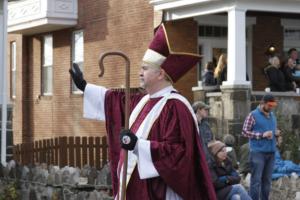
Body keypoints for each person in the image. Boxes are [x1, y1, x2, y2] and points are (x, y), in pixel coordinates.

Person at [69, 23, 216, 200]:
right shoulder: (144, 100)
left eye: (144, 69)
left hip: (157, 191)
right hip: (134, 187)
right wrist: (85, 87)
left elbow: (179, 153)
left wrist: (138, 145)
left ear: (161, 74)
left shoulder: (176, 107)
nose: (139, 73)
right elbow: (116, 101)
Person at [242, 94, 278, 200]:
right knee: (256, 181)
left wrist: (276, 134)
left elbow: (272, 130)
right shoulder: (252, 115)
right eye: (269, 105)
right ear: (263, 103)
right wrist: (262, 135)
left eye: (273, 105)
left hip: (271, 152)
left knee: (267, 181)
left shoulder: (272, 115)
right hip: (257, 152)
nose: (271, 107)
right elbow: (244, 132)